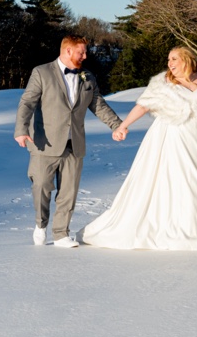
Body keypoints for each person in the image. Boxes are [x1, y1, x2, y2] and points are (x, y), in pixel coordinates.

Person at [81, 47, 197, 250]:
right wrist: (123, 125)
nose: (170, 63)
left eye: (174, 59)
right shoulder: (163, 82)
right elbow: (143, 105)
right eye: (168, 59)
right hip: (171, 138)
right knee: (176, 181)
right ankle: (175, 225)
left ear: (187, 59)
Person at [15, 35, 123, 248]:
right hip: (43, 142)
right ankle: (40, 224)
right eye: (81, 52)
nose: (85, 56)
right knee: (42, 187)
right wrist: (20, 130)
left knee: (69, 192)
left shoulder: (88, 77)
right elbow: (27, 103)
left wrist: (116, 125)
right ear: (67, 51)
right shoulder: (41, 72)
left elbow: (98, 105)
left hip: (74, 143)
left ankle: (61, 234)